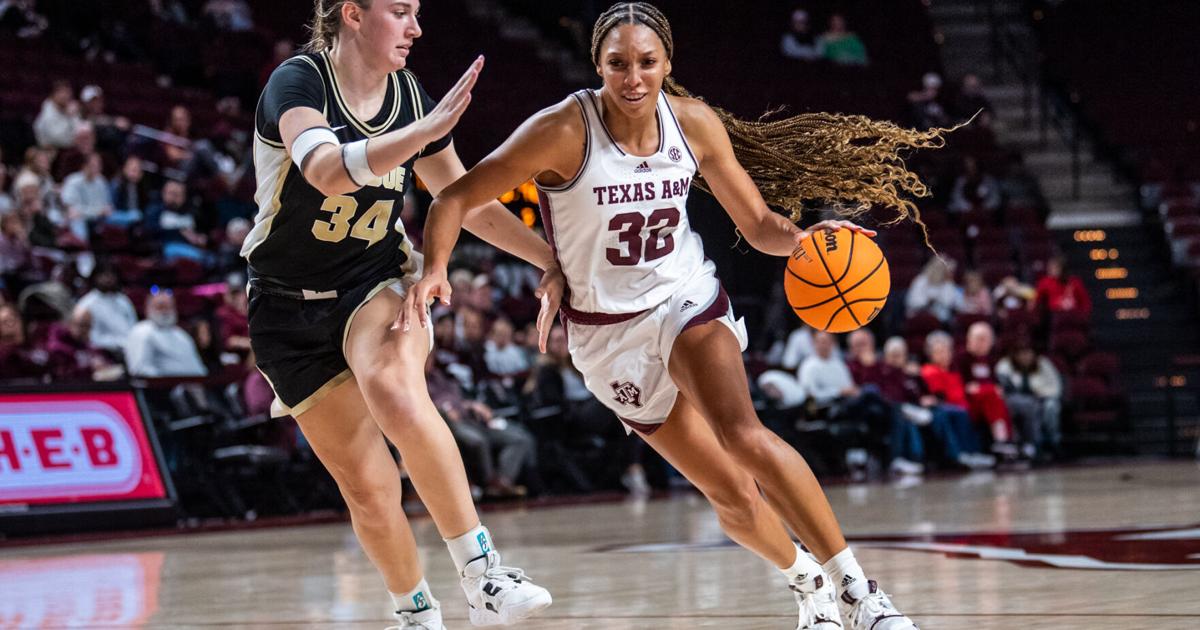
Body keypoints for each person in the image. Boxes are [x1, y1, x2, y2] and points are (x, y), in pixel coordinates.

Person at [408, 4, 950, 627]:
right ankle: (807, 585)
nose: (633, 79)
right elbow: (454, 197)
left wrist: (800, 238)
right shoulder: (563, 130)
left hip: (682, 298)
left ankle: (858, 594)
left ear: (667, 63)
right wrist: (436, 269)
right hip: (606, 338)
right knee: (731, 496)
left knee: (743, 435)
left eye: (646, 63)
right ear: (597, 66)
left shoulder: (691, 124)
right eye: (618, 64)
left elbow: (759, 224)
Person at [244, 1, 554, 627]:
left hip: (374, 280)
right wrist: (424, 130)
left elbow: (464, 199)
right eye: (401, 11)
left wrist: (552, 262)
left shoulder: (411, 96)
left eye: (417, 13)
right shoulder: (299, 82)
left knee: (393, 386)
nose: (416, 27)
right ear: (353, 14)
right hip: (284, 308)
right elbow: (327, 171)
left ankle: (484, 574)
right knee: (368, 487)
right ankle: (416, 615)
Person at [124, 289, 208, 378]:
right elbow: (140, 370)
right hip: (162, 388)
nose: (165, 311)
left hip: (193, 386)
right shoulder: (141, 331)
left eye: (169, 307)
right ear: (147, 308)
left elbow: (198, 368)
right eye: (160, 306)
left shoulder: (182, 335)